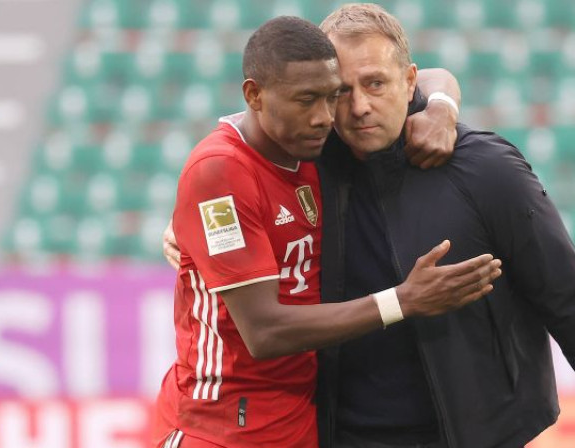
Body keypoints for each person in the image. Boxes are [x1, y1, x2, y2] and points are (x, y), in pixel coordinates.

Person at [162, 4, 575, 448]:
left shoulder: (484, 169)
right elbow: (244, 149)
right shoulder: (320, 154)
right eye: (342, 91)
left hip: (481, 436)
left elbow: (568, 299)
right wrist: (189, 222)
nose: (357, 106)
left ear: (409, 82)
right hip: (326, 433)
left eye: (376, 84)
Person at [153, 16, 502, 448]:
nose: (323, 117)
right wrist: (403, 300)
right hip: (221, 423)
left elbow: (429, 75)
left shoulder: (310, 146)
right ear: (254, 95)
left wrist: (442, 107)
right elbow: (264, 333)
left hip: (300, 421)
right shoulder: (220, 172)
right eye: (305, 100)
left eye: (330, 97)